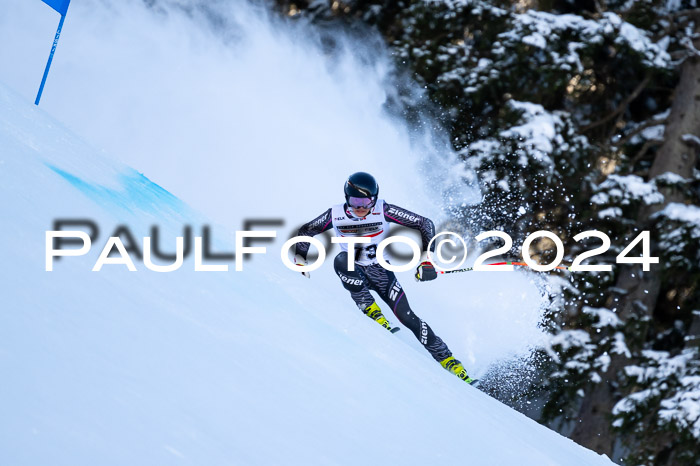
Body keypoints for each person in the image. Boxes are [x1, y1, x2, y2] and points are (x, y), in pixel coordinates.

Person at [293, 171, 476, 384]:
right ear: (346, 198)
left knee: (408, 317)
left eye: (366, 202)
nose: (361, 208)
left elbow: (424, 224)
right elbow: (306, 231)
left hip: (381, 273)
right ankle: (370, 309)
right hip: (355, 269)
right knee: (342, 260)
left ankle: (450, 362)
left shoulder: (383, 209)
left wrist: (426, 259)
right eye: (355, 201)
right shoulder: (335, 215)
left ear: (375, 198)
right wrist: (301, 262)